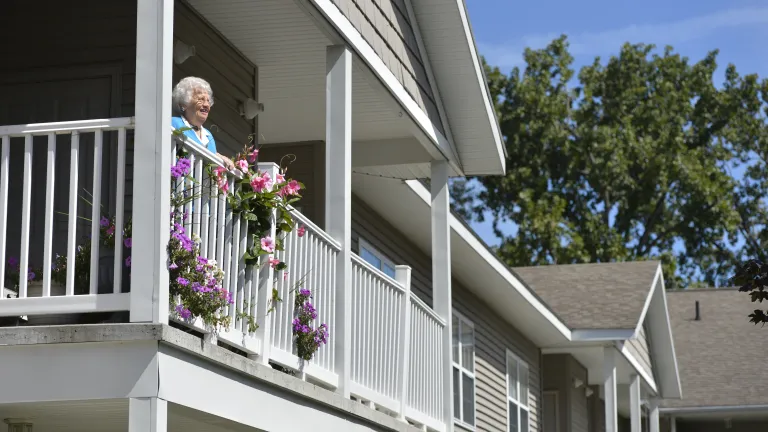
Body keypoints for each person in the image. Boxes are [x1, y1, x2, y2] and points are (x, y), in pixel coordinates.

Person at [171, 76, 234, 169]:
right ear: (184, 104)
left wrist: (218, 157)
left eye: (208, 101)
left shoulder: (208, 136)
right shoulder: (174, 123)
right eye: (200, 99)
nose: (206, 105)